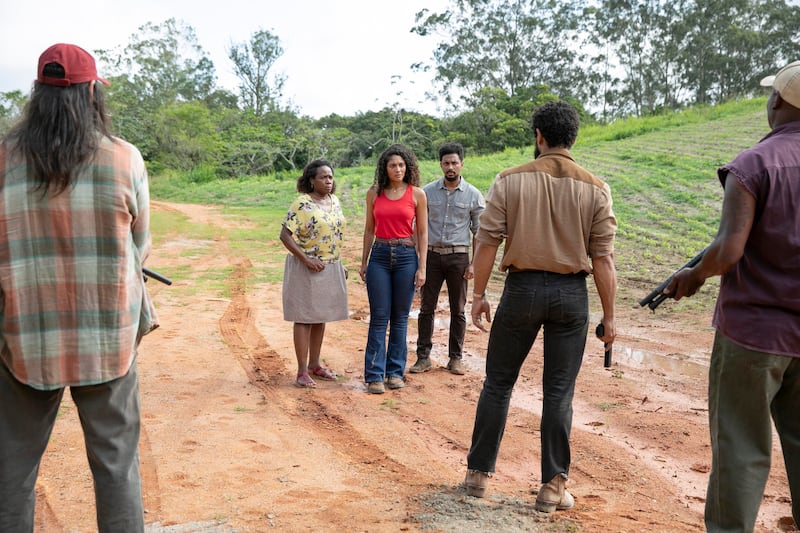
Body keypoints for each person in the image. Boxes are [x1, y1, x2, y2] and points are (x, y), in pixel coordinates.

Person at [0, 43, 157, 532]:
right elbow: (141, 247)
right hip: (107, 340)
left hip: (21, 341)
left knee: (11, 472)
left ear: (38, 95)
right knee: (116, 468)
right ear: (92, 93)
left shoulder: (2, 161)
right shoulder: (124, 159)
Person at [464, 101, 617, 513]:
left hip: (522, 290)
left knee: (498, 382)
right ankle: (552, 487)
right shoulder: (596, 188)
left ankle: (478, 475)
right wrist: (611, 316)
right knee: (559, 391)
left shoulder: (509, 180)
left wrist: (478, 296)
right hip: (572, 296)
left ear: (538, 136)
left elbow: (488, 242)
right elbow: (603, 258)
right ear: (573, 138)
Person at [667, 61, 800, 532]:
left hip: (754, 334)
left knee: (741, 449)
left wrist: (695, 276)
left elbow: (728, 251)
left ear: (779, 101)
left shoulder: (753, 164)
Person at [410, 142, 485, 376]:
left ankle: (456, 358)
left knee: (458, 310)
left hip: (458, 258)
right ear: (440, 164)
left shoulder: (473, 195)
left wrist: (473, 263)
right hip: (431, 256)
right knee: (426, 308)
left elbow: (479, 234)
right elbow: (416, 227)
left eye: (454, 162)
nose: (450, 167)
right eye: (446, 163)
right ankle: (423, 357)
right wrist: (419, 258)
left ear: (462, 163)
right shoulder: (427, 192)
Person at [359, 144, 428, 394]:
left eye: (401, 165)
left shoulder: (417, 194)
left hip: (407, 257)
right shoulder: (374, 193)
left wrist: (422, 267)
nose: (397, 169)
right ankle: (374, 375)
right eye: (392, 165)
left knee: (400, 318)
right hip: (379, 255)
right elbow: (369, 229)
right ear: (384, 168)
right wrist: (364, 261)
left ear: (407, 167)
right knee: (379, 316)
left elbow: (422, 232)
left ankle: (395, 373)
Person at [280, 159, 348, 388]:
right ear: (311, 180)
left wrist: (340, 263)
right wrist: (306, 259)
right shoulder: (302, 204)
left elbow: (335, 234)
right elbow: (285, 236)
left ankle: (315, 364)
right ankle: (301, 371)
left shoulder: (334, 201)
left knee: (320, 316)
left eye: (330, 177)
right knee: (304, 317)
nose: (328, 181)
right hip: (305, 268)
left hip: (329, 266)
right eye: (323, 177)